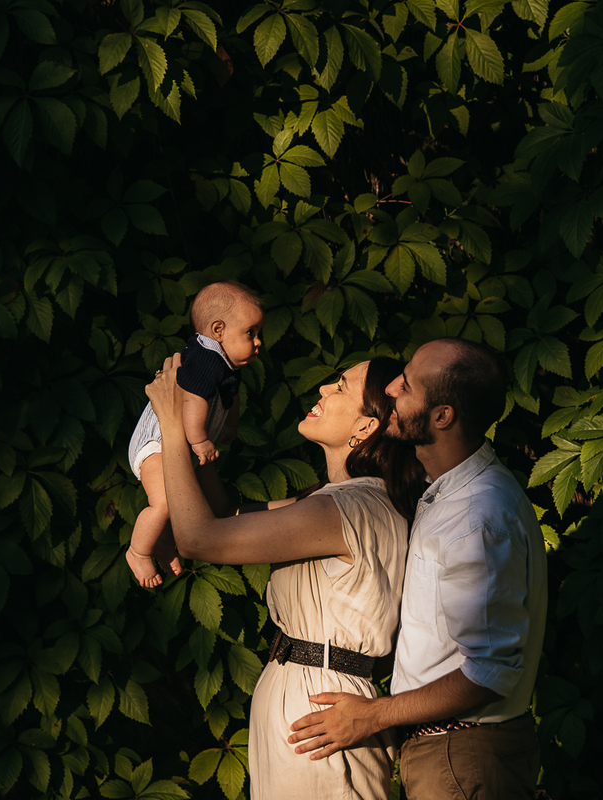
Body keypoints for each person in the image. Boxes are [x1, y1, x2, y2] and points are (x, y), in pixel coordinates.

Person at [146, 354, 425, 800]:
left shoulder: (351, 508)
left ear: (365, 428)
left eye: (338, 387)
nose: (320, 390)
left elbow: (200, 538)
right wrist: (203, 438)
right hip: (303, 694)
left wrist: (172, 426)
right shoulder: (331, 501)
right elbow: (222, 518)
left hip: (320, 706)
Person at [287, 338, 549, 799]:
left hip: (463, 755)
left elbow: (489, 672)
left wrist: (372, 715)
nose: (389, 389)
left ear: (442, 416)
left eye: (405, 385)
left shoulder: (476, 517)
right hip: (450, 752)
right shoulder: (446, 492)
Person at [125, 281, 264, 588]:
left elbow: (233, 397)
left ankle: (161, 542)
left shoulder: (226, 364)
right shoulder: (205, 360)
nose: (258, 342)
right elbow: (192, 401)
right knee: (162, 503)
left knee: (180, 504)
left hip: (175, 444)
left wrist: (230, 426)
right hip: (157, 443)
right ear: (218, 330)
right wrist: (200, 440)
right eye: (250, 333)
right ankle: (137, 551)